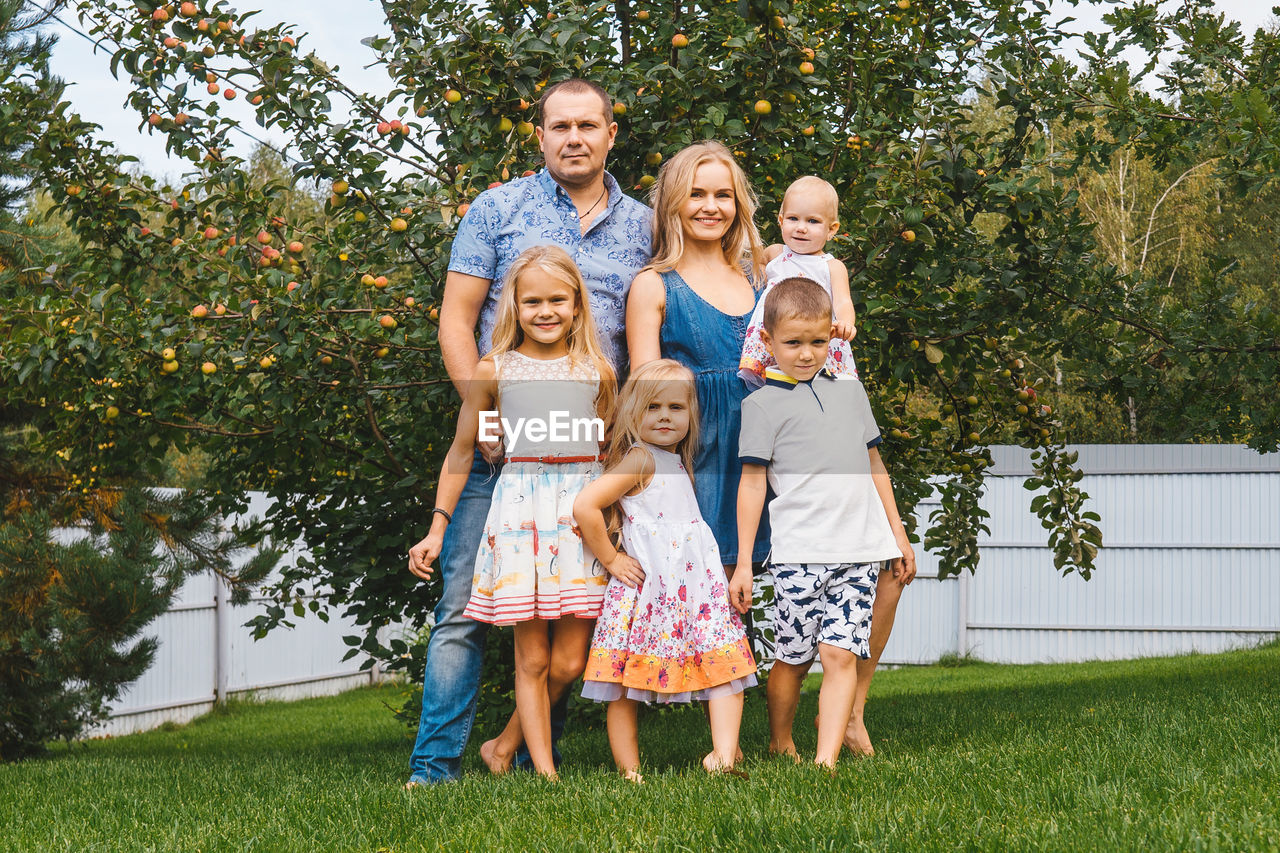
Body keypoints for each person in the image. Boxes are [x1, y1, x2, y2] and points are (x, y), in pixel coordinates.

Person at [404, 78, 651, 787]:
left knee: (577, 608)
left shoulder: (643, 225)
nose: (574, 137)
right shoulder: (497, 209)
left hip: (589, 457)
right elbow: (456, 318)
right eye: (559, 126)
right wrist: (483, 414)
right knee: (462, 610)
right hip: (501, 452)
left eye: (588, 125)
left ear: (610, 134)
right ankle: (434, 766)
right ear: (540, 136)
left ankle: (520, 746)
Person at [408, 245, 617, 780]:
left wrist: (616, 517)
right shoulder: (494, 368)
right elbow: (461, 451)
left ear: (576, 306)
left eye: (556, 301)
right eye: (532, 302)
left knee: (570, 661)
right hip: (521, 519)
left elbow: (610, 448)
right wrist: (438, 528)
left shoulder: (597, 368)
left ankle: (501, 747)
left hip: (577, 521)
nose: (545, 312)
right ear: (514, 308)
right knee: (533, 659)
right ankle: (544, 772)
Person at [729, 278, 916, 769]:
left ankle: (825, 761)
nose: (807, 354)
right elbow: (751, 485)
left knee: (840, 656)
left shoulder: (851, 393)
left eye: (817, 342)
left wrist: (897, 534)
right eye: (793, 343)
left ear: (832, 337)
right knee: (792, 659)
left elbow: (875, 466)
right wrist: (744, 563)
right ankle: (781, 741)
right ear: (767, 342)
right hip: (797, 554)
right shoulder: (759, 405)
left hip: (857, 552)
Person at [573, 360, 757, 782]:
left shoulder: (675, 460)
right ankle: (629, 770)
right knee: (622, 684)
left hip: (696, 588)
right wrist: (611, 558)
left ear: (691, 415)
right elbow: (586, 506)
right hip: (651, 588)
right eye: (653, 406)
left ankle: (724, 756)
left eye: (676, 407)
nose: (665, 417)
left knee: (728, 664)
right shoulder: (641, 459)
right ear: (633, 412)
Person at [625, 140, 770, 573]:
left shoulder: (762, 274)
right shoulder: (654, 284)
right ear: (673, 202)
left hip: (768, 456)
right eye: (696, 194)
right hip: (700, 461)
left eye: (723, 195)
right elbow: (646, 401)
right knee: (710, 598)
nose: (711, 206)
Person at [738, 176, 858, 387]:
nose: (801, 228)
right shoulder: (775, 254)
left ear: (831, 229)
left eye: (812, 221)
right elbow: (749, 269)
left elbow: (843, 302)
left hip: (813, 340)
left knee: (818, 391)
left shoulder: (831, 266)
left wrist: (846, 323)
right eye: (793, 219)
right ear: (781, 221)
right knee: (776, 390)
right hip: (777, 335)